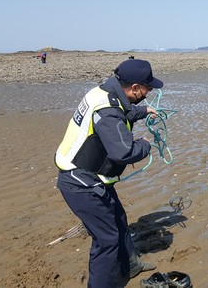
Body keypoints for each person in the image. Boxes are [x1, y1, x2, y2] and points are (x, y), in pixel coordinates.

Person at [55, 59, 163, 287]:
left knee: (119, 220)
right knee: (107, 239)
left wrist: (143, 111)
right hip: (80, 183)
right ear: (135, 87)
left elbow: (122, 109)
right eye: (147, 89)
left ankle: (130, 266)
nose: (149, 93)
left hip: (92, 178)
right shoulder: (107, 110)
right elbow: (123, 152)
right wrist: (145, 144)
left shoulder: (105, 92)